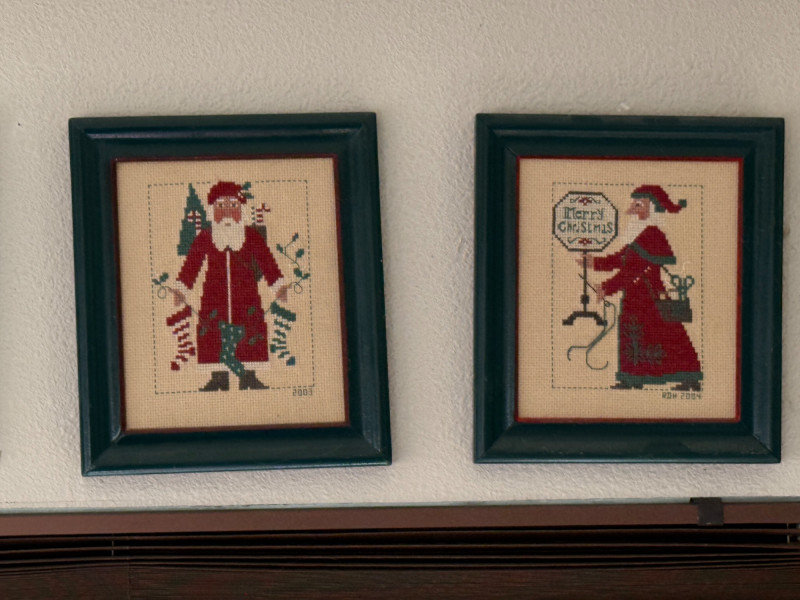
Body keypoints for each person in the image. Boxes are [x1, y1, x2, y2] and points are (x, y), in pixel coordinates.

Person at [583, 185, 702, 391]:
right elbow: (622, 258)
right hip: (637, 294)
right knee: (640, 333)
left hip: (648, 296)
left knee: (660, 333)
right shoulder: (640, 234)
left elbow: (633, 269)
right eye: (634, 204)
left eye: (639, 205)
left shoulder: (651, 235)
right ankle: (634, 378)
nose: (632, 209)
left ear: (652, 208)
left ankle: (688, 377)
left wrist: (607, 287)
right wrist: (595, 263)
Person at [172, 181, 287, 391]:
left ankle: (249, 376)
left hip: (247, 296)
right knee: (212, 332)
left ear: (241, 210)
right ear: (212, 210)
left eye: (232, 206)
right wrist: (181, 289)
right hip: (213, 297)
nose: (226, 212)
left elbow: (266, 261)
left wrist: (277, 285)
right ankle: (218, 378)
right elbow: (192, 264)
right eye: (221, 206)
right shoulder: (206, 237)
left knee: (250, 331)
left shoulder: (251, 236)